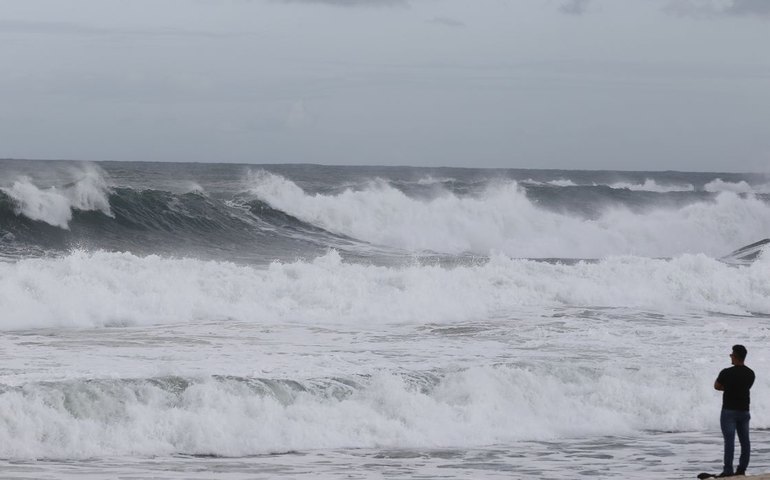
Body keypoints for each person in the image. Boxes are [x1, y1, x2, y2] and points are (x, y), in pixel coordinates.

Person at [713, 344, 755, 477]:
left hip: (729, 411)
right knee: (745, 441)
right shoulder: (750, 373)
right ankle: (742, 469)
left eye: (731, 354)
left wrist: (728, 388)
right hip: (744, 411)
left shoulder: (726, 372)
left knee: (729, 442)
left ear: (735, 356)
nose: (730, 356)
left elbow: (716, 386)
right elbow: (746, 387)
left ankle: (728, 470)